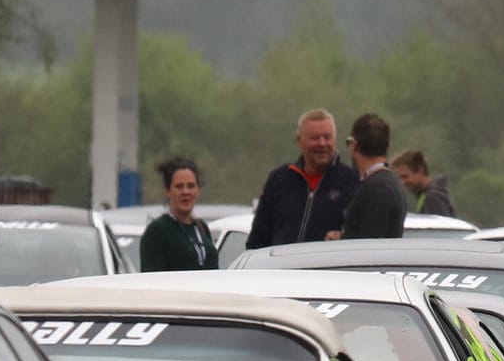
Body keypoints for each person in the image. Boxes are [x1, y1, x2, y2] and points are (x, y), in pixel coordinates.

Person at [245, 108, 359, 249]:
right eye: (315, 138)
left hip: (324, 269)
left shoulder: (351, 181)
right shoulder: (279, 179)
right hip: (280, 268)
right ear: (299, 141)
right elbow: (258, 238)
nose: (322, 143)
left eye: (327, 137)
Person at [139, 157, 218, 271]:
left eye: (191, 186)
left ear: (198, 190)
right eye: (179, 186)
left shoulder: (201, 228)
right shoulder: (157, 231)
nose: (185, 192)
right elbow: (151, 279)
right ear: (168, 191)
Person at [338, 113, 407, 241]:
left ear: (353, 145)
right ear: (387, 146)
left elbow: (369, 245)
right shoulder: (391, 183)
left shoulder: (376, 188)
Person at [392, 149, 456, 218]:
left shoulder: (432, 197)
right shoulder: (426, 196)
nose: (402, 183)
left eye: (405, 177)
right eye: (400, 178)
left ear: (420, 170)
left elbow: (440, 228)